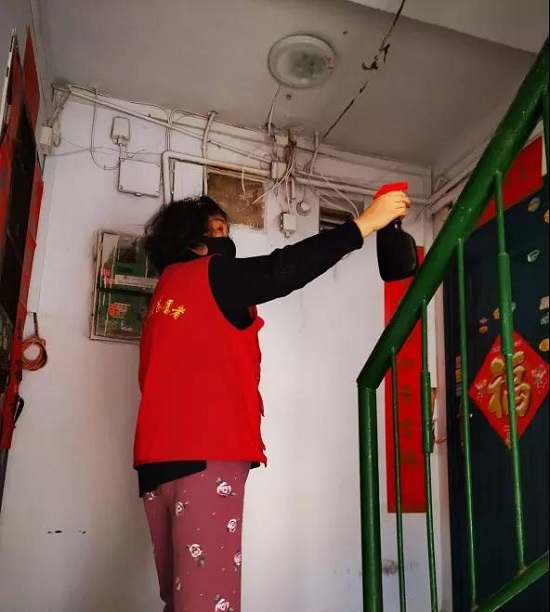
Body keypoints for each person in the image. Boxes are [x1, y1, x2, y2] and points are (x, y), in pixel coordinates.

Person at [134, 189, 410, 612]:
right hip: (205, 454)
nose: (228, 241)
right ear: (196, 241)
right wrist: (365, 224)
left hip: (155, 462)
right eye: (220, 230)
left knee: (180, 599)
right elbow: (285, 269)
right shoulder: (212, 274)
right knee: (208, 602)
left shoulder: (164, 295)